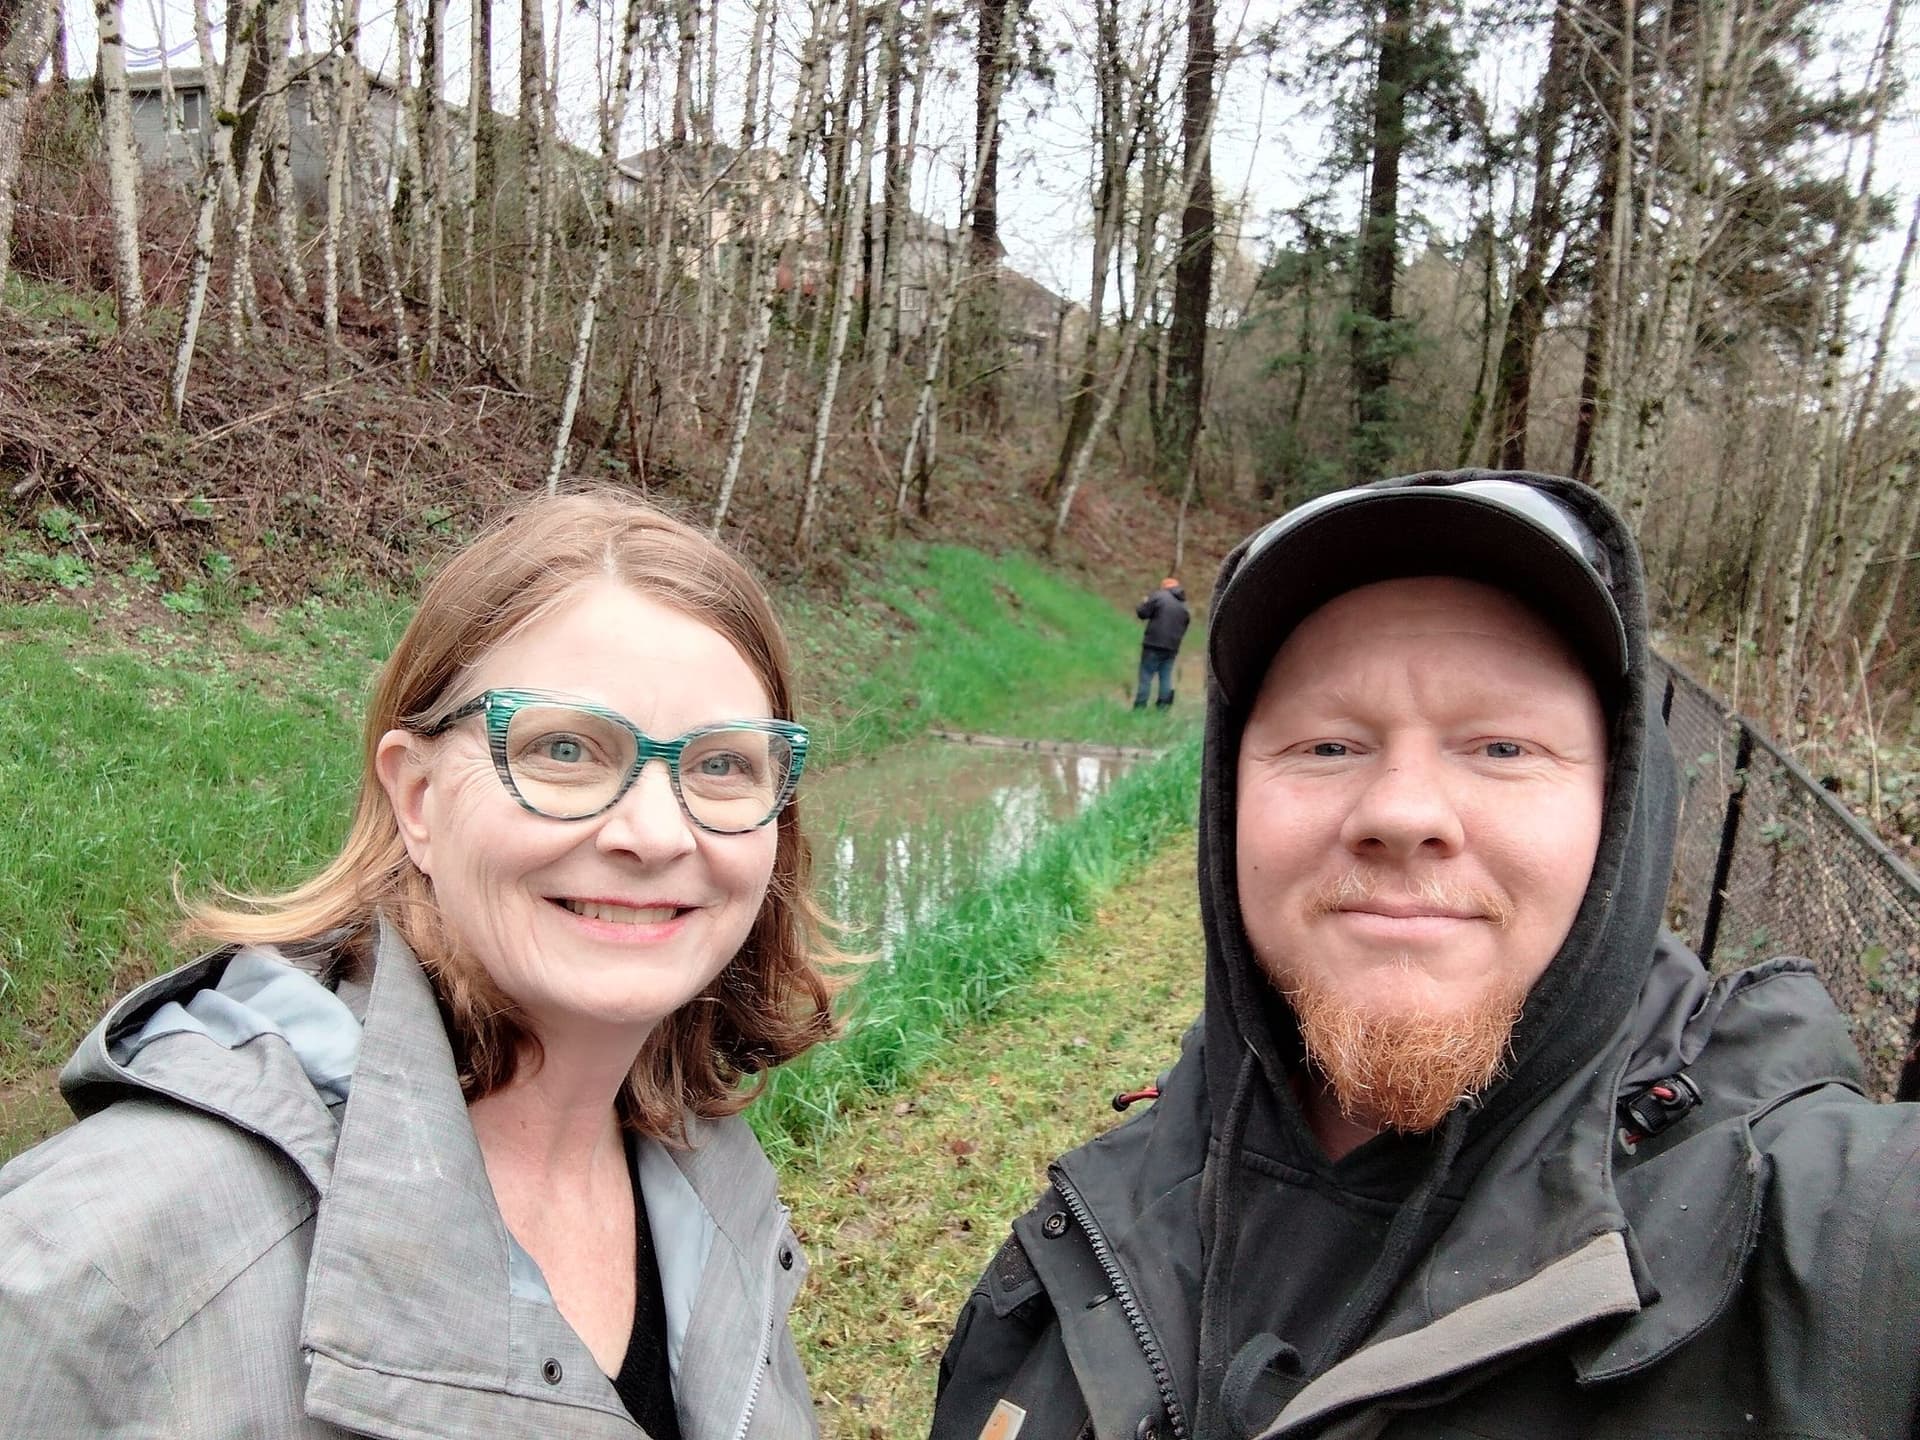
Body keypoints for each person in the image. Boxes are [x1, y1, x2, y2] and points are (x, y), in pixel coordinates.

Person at [930, 470, 1920, 1440]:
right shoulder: (1081, 1240)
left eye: (1501, 747)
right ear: (1227, 810)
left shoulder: (1843, 1245)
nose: (1401, 812)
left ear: (1624, 812)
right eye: (1325, 746)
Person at [0, 488, 840, 1439]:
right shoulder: (88, 1271)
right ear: (417, 796)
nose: (653, 832)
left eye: (723, 765)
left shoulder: (703, 1178)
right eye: (564, 748)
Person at [1135, 577, 1191, 710]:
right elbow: (1185, 626)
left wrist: (1144, 602)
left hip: (1153, 643)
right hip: (1172, 647)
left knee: (1146, 675)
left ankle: (1140, 706)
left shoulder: (1158, 596)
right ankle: (1163, 707)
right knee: (1165, 676)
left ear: (1164, 587)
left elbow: (1142, 613)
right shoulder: (1184, 606)